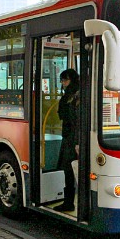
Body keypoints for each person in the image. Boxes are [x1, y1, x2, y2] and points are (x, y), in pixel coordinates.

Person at [54, 69, 80, 212]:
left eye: (65, 80)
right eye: (62, 81)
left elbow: (77, 121)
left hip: (72, 139)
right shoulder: (71, 95)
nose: (63, 84)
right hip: (69, 138)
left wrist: (77, 142)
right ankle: (68, 201)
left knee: (70, 170)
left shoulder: (75, 96)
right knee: (68, 170)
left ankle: (69, 202)